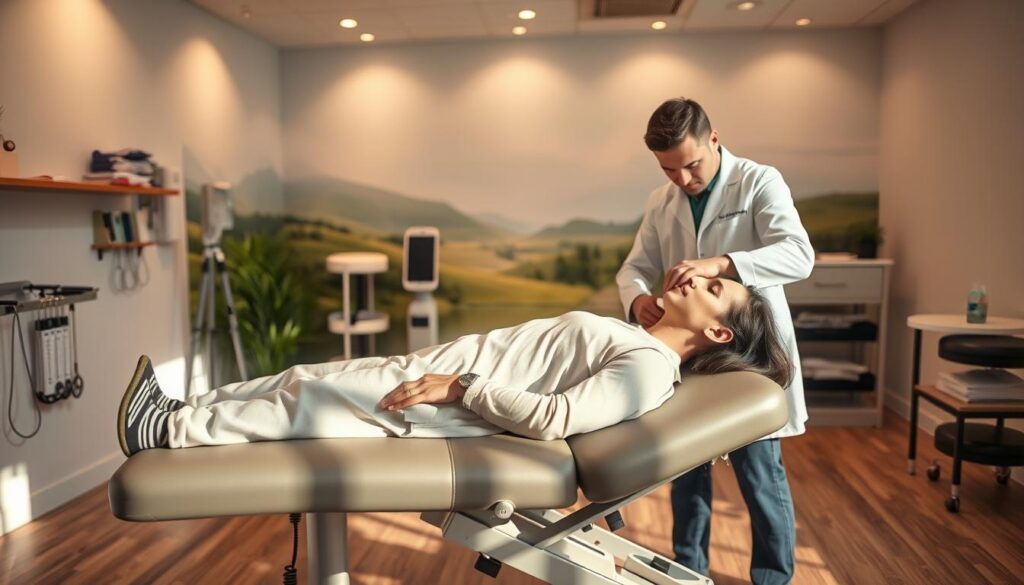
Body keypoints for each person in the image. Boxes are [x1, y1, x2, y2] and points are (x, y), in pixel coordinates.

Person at [118, 275, 791, 456]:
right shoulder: (641, 339)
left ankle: (166, 433)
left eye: (712, 288)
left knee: (306, 400)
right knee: (302, 378)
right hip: (435, 368)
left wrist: (461, 385)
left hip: (441, 396)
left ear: (716, 329)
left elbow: (555, 419)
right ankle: (184, 408)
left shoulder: (649, 370)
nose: (695, 277)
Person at [616, 97, 814, 585]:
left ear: (714, 139)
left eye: (691, 165)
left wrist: (723, 264)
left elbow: (799, 255)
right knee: (685, 471)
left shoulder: (759, 181)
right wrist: (637, 300)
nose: (683, 180)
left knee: (760, 476)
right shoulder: (661, 201)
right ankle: (689, 571)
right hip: (689, 354)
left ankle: (772, 577)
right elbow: (635, 268)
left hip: (748, 354)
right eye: (669, 170)